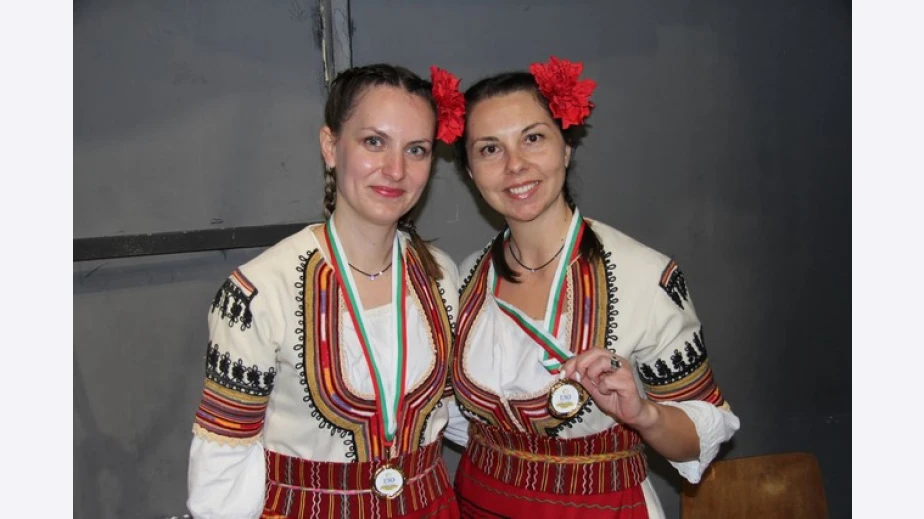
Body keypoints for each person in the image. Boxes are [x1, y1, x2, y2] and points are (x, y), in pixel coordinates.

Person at [445, 57, 741, 518]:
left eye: (533, 138)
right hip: (479, 505)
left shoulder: (645, 276)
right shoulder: (465, 278)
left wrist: (643, 414)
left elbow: (704, 430)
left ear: (566, 147)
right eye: (489, 149)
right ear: (469, 171)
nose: (515, 165)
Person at [187, 63, 467, 519]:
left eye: (416, 149)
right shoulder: (260, 291)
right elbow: (223, 467)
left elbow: (457, 413)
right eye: (374, 142)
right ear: (330, 146)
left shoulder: (439, 276)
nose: (395, 169)